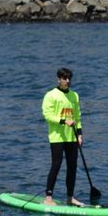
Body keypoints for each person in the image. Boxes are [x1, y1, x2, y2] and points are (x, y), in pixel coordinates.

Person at [42, 67, 83, 207]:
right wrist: (64, 121)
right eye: (64, 78)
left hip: (71, 136)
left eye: (69, 78)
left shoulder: (74, 96)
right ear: (58, 79)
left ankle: (70, 197)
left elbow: (77, 116)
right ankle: (48, 197)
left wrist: (80, 134)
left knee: (72, 167)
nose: (67, 81)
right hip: (57, 137)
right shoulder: (51, 95)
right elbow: (48, 116)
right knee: (56, 165)